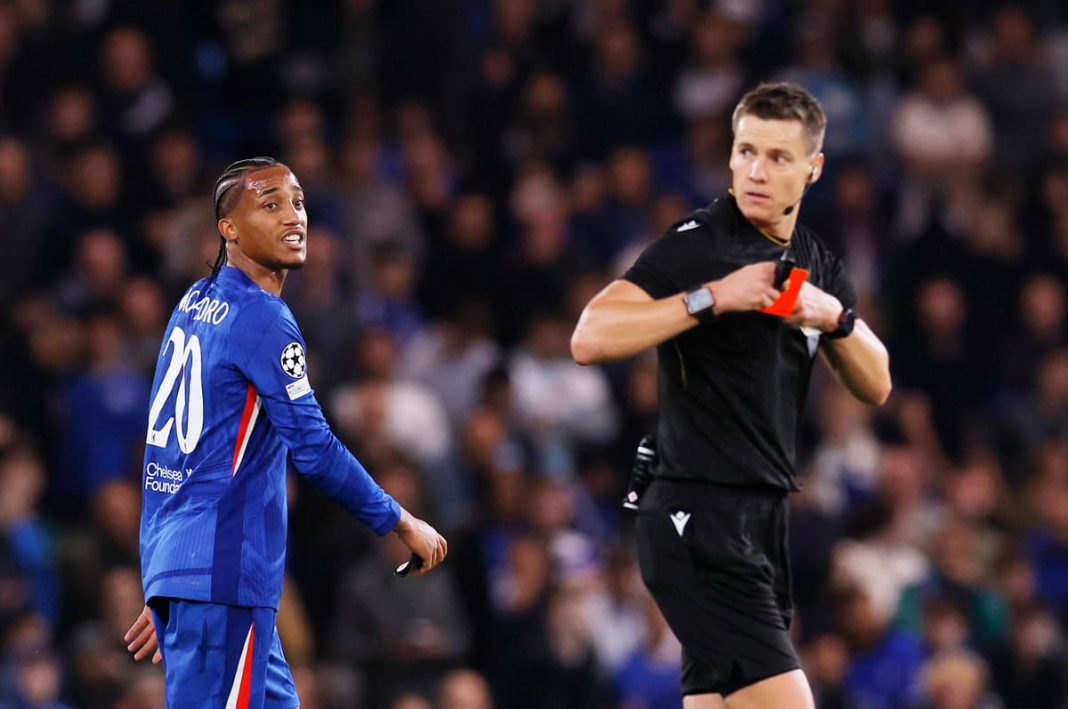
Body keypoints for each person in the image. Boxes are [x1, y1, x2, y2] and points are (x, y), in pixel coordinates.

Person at [570, 83, 892, 709]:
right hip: (695, 515)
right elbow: (590, 336)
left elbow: (876, 384)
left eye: (777, 157)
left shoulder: (813, 262)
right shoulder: (701, 244)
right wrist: (713, 297)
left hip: (762, 522)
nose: (756, 171)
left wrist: (835, 319)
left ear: (813, 169)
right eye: (746, 151)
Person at [122, 157, 448, 708]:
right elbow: (315, 449)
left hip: (203, 579)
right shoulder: (263, 318)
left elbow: (167, 458)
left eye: (298, 202)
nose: (293, 216)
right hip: (224, 579)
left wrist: (169, 578)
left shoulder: (193, 301)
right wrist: (399, 520)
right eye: (270, 205)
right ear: (228, 228)